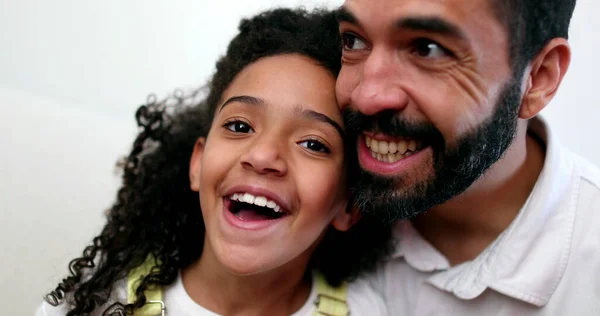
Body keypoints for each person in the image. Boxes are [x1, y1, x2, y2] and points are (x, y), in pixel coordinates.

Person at [35, 8, 394, 316]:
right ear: (198, 162)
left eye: (313, 144)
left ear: (349, 204)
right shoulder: (96, 300)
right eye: (240, 125)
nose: (263, 155)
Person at [335, 0, 600, 314]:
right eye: (353, 40)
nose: (366, 97)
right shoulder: (310, 208)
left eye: (428, 48)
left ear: (539, 78)